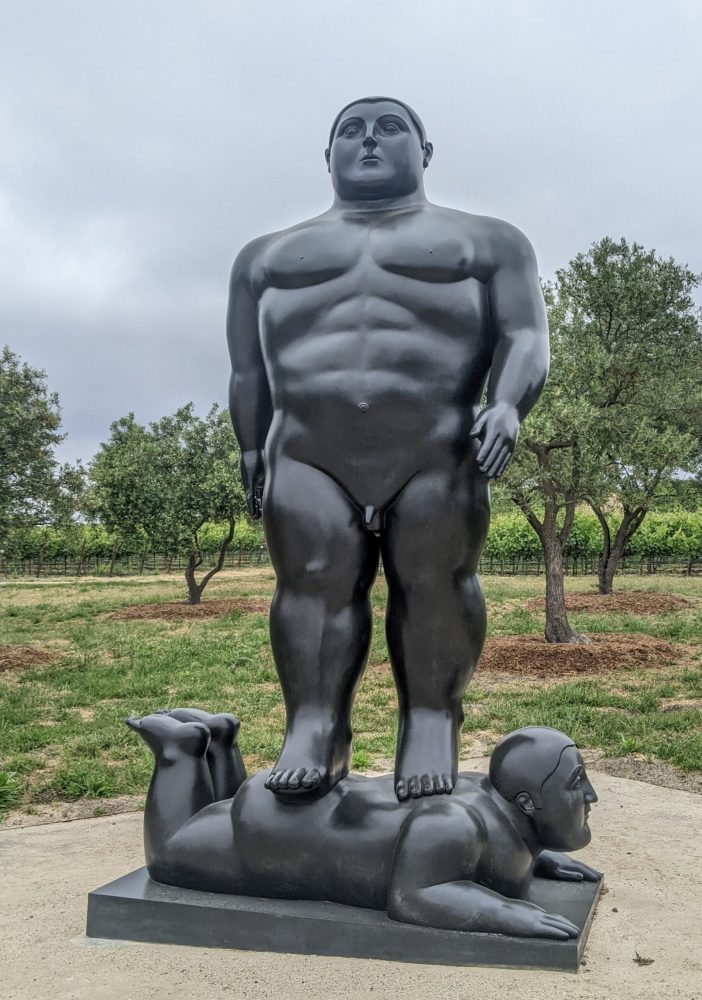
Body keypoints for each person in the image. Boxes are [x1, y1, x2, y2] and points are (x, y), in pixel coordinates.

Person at [227, 97, 549, 800]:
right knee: (311, 586)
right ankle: (316, 728)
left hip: (438, 447)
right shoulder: (265, 257)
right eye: (351, 129)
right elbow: (248, 370)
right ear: (328, 155)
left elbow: (526, 336)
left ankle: (431, 721)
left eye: (389, 127)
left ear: (424, 152)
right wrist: (250, 448)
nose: (368, 139)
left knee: (436, 584)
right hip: (308, 452)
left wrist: (507, 405)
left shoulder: (490, 242)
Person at [127, 715, 599, 940]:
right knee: (170, 856)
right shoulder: (455, 824)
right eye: (577, 785)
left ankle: (219, 744)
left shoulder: (484, 792)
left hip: (307, 813)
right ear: (526, 801)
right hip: (279, 834)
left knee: (215, 822)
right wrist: (504, 913)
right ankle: (180, 752)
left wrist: (537, 852)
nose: (591, 797)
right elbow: (415, 897)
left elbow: (492, 849)